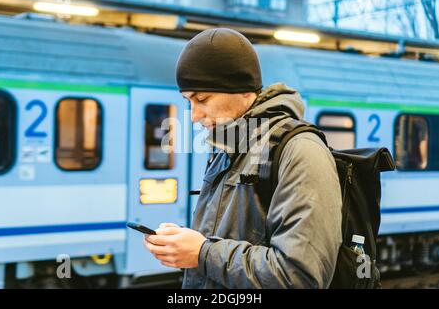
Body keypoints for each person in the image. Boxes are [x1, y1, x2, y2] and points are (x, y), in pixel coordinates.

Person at [143, 28, 342, 289]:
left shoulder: (301, 152)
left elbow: (300, 276)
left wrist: (202, 253)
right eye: (188, 100)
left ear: (243, 91)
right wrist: (183, 244)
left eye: (202, 98)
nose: (194, 116)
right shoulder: (227, 148)